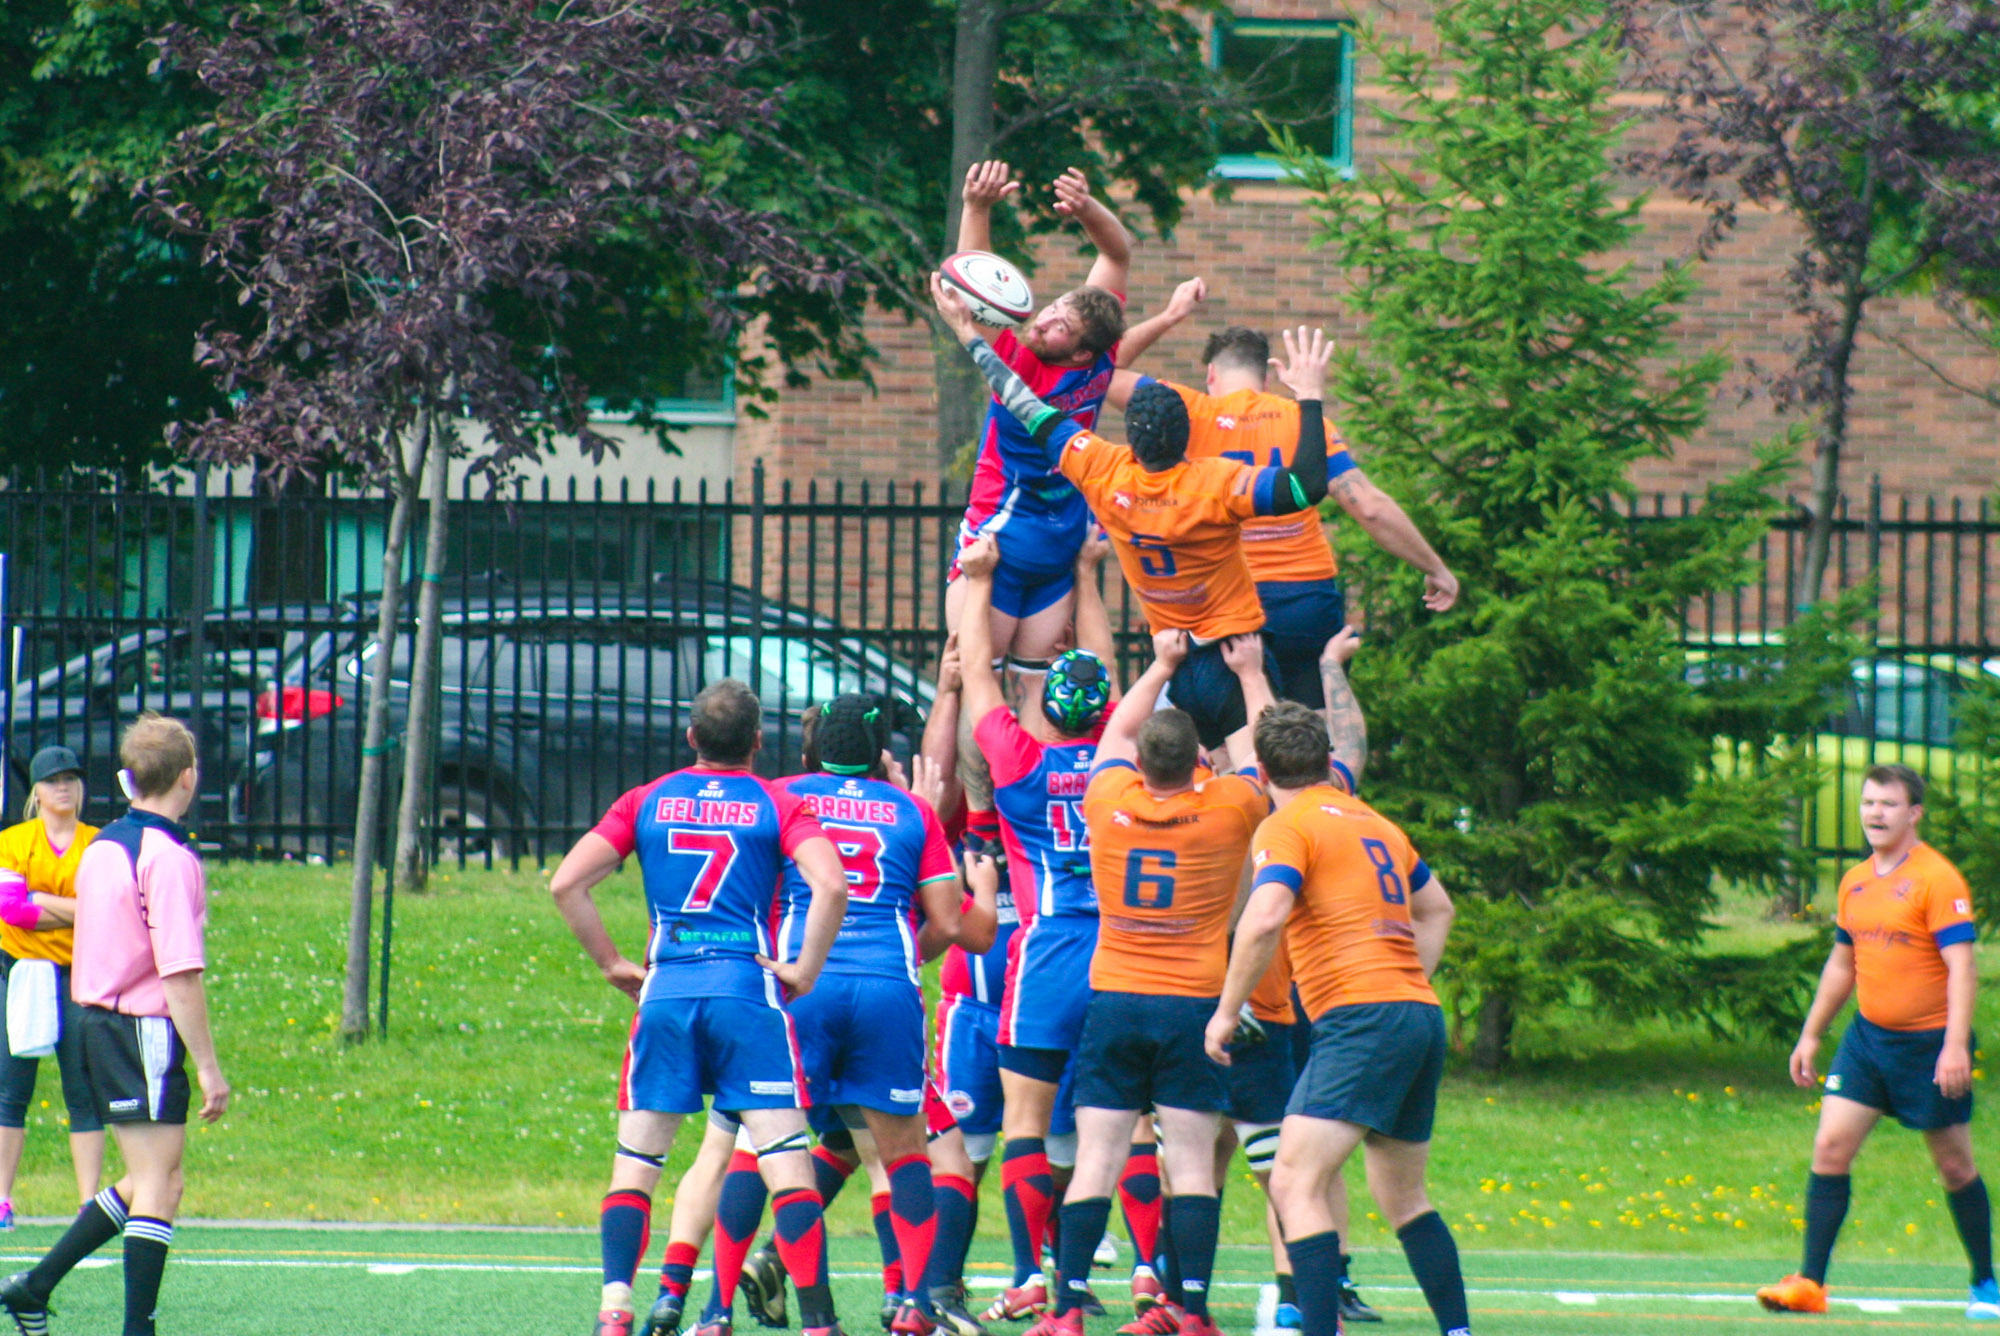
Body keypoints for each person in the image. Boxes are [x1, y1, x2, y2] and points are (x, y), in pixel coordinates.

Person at [548, 679, 852, 1336]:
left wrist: (611, 963)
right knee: (786, 1163)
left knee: (638, 1164)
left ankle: (615, 1309)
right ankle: (820, 1323)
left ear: (691, 738)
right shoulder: (777, 800)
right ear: (757, 742)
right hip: (747, 994)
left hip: (668, 992)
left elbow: (567, 882)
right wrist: (804, 969)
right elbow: (832, 882)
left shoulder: (647, 799)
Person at [699, 693, 998, 1336]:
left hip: (799, 985)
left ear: (813, 748)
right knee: (904, 1154)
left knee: (763, 1143)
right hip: (886, 987)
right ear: (880, 754)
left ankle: (717, 1310)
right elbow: (952, 923)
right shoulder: (911, 810)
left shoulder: (778, 795)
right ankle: (915, 1307)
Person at [934, 275, 1334, 753]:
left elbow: (1023, 402)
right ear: (1187, 437)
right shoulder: (1217, 482)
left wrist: (969, 335)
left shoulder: (1102, 469)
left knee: (1196, 775)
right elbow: (1303, 486)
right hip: (1234, 654)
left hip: (1173, 658)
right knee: (1256, 778)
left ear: (1131, 439)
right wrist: (1309, 397)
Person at [1032, 630, 1275, 1336]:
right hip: (1193, 1005)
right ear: (1199, 765)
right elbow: (1263, 756)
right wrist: (1252, 673)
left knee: (1097, 1161)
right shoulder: (1227, 807)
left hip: (1115, 998)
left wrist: (1163, 663)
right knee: (1193, 1163)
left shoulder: (1107, 799)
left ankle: (1067, 1310)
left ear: (1140, 765)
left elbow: (1115, 731)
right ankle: (1191, 1310)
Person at [1205, 702, 1468, 1336]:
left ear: (1262, 769)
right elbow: (1438, 910)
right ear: (1327, 760)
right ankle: (1458, 1332)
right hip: (1414, 1015)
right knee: (1403, 1198)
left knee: (1295, 1181)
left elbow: (1266, 916)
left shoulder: (1286, 824)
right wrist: (1406, 980)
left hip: (1362, 1017)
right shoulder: (1374, 822)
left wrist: (1227, 1010)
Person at [1, 715, 229, 1336]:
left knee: (151, 1177)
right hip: (141, 1028)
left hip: (96, 1022)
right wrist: (208, 1066)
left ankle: (34, 1284)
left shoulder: (102, 846)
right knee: (159, 1185)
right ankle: (137, 1329)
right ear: (189, 777)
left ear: (129, 778)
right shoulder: (169, 858)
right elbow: (179, 974)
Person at [1756, 764, 2000, 1320]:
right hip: (1869, 1043)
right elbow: (1844, 961)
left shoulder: (1938, 880)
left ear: (1914, 813)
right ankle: (1811, 1285)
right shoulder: (1856, 880)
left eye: (1888, 804)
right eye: (1869, 802)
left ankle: (1986, 1286)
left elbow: (1962, 968)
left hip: (1930, 1046)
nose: (1874, 813)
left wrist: (1955, 1045)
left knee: (1956, 1167)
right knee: (1830, 1148)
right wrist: (1811, 1034)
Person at [1108, 321, 1459, 706]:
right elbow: (1371, 508)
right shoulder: (1303, 422)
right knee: (1310, 737)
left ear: (1211, 375)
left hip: (1223, 606)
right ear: (1267, 378)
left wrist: (1173, 315)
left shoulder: (1187, 410)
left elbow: (1103, 370)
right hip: (1304, 598)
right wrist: (1435, 568)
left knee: (1234, 739)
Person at [954, 535, 1115, 1321]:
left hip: (1049, 952)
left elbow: (980, 676)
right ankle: (1143, 1271)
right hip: (1126, 956)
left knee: (1024, 1121)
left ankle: (1027, 1271)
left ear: (1048, 707)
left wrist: (976, 583)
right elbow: (1108, 662)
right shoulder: (1127, 762)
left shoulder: (1019, 765)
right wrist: (1087, 572)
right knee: (1132, 1129)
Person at [1219, 634, 1378, 1331]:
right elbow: (1352, 745)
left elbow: (1267, 750)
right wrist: (1326, 670)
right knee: (1299, 1161)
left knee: (1242, 1155)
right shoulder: (1330, 794)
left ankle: (1178, 1285)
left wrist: (1251, 674)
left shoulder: (1246, 797)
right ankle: (1322, 1283)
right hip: (1305, 995)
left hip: (1261, 997)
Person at [946, 159, 1132, 669]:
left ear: (1078, 353)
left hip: (1009, 543)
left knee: (975, 680)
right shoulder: (1101, 354)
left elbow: (974, 288)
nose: (1044, 318)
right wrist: (1089, 209)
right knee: (1010, 683)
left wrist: (976, 207)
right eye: (1054, 306)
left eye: (1059, 326)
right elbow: (1117, 252)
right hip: (1040, 541)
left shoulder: (1021, 365)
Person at [0, 746, 106, 1228]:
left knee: (81, 1090)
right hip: (24, 972)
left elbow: (108, 913)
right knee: (11, 1089)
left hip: (78, 973)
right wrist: (73, 907)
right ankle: (3, 1197)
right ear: (37, 791)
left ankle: (88, 1201)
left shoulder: (99, 844)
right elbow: (13, 912)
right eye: (53, 779)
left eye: (71, 778)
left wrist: (44, 899)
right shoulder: (14, 842)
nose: (64, 786)